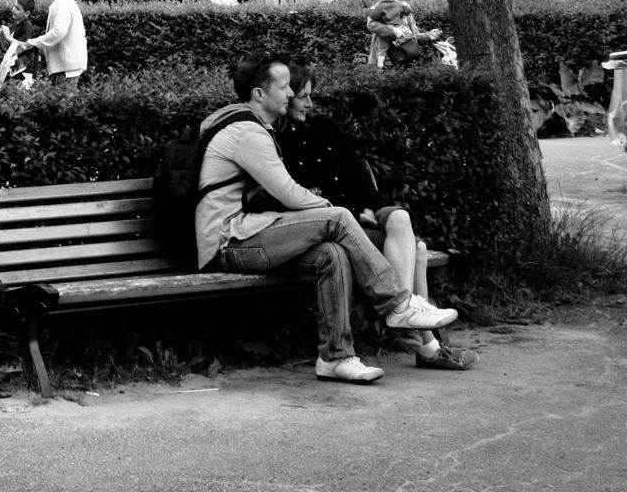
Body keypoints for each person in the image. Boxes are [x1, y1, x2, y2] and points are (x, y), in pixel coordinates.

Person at [196, 55, 458, 384]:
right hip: (230, 242)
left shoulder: (255, 128)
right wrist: (332, 208)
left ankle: (335, 357)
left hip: (251, 235)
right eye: (284, 87)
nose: (291, 94)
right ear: (260, 94)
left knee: (331, 255)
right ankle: (396, 303)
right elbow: (290, 194)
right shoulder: (247, 133)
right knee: (337, 218)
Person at [277, 64, 476, 370]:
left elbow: (357, 173)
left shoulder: (326, 127)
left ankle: (408, 321)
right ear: (287, 97)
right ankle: (428, 345)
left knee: (399, 218)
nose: (309, 103)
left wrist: (368, 208)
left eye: (310, 96)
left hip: (358, 214)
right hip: (334, 223)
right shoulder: (280, 140)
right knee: (419, 249)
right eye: (302, 96)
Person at [20, 0, 87, 91]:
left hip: (66, 68)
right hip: (68, 66)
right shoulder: (65, 1)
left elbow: (59, 32)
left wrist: (34, 42)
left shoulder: (62, 3)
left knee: (62, 107)